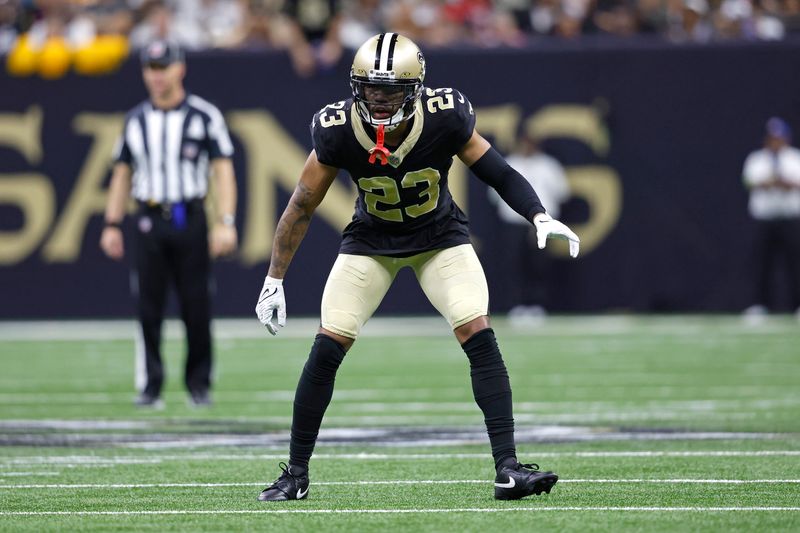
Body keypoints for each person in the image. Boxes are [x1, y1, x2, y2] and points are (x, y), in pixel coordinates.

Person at [254, 32, 579, 502]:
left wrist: (538, 213)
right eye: (369, 89)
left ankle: (508, 469)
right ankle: (295, 474)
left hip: (438, 237)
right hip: (370, 241)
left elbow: (497, 170)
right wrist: (274, 278)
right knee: (328, 345)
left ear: (416, 89)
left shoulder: (445, 116)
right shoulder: (338, 128)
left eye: (389, 91)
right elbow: (302, 205)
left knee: (477, 332)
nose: (378, 100)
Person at [100, 39, 238, 408]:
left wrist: (225, 221)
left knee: (197, 305)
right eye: (150, 68)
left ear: (180, 69)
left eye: (163, 68)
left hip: (189, 216)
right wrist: (112, 222)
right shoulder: (135, 121)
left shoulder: (204, 115)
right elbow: (121, 174)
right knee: (148, 306)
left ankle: (199, 383)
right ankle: (151, 384)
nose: (156, 76)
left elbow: (223, 171)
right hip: (148, 218)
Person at [490, 130, 571, 321]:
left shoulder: (548, 165)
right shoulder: (510, 163)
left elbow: (562, 192)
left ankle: (537, 305)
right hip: (514, 223)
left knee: (539, 265)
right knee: (514, 264)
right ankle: (516, 306)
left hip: (541, 223)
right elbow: (495, 194)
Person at [741, 117, 800, 319]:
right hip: (764, 219)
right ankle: (758, 305)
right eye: (772, 138)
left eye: (779, 137)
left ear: (786, 138)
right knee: (761, 264)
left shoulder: (795, 158)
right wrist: (770, 182)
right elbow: (750, 181)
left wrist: (783, 182)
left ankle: (797, 305)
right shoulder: (756, 159)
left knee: (794, 263)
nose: (775, 141)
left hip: (790, 218)